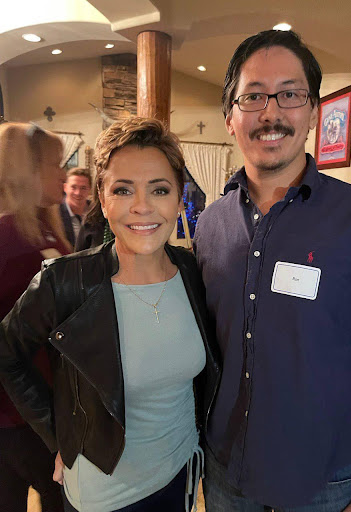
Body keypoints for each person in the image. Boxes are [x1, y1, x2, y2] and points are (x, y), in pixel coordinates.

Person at [193, 30, 351, 512]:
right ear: (230, 118)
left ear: (315, 111)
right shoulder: (210, 225)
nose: (271, 112)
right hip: (225, 475)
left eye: (290, 94)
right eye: (253, 96)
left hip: (323, 482)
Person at [0, 117, 220, 512]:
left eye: (159, 189)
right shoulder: (66, 281)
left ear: (177, 197)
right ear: (102, 199)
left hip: (181, 474)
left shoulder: (193, 273)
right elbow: (7, 354)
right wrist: (60, 436)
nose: (142, 207)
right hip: (104, 493)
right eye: (123, 189)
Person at [0, 122, 68, 511]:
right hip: (16, 421)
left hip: (44, 415)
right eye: (53, 165)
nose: (62, 173)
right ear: (27, 171)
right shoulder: (8, 237)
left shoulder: (46, 230)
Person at [60, 167, 92, 247]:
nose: (78, 193)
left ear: (90, 190)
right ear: (65, 188)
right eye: (73, 187)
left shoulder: (97, 212)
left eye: (83, 188)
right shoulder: (56, 215)